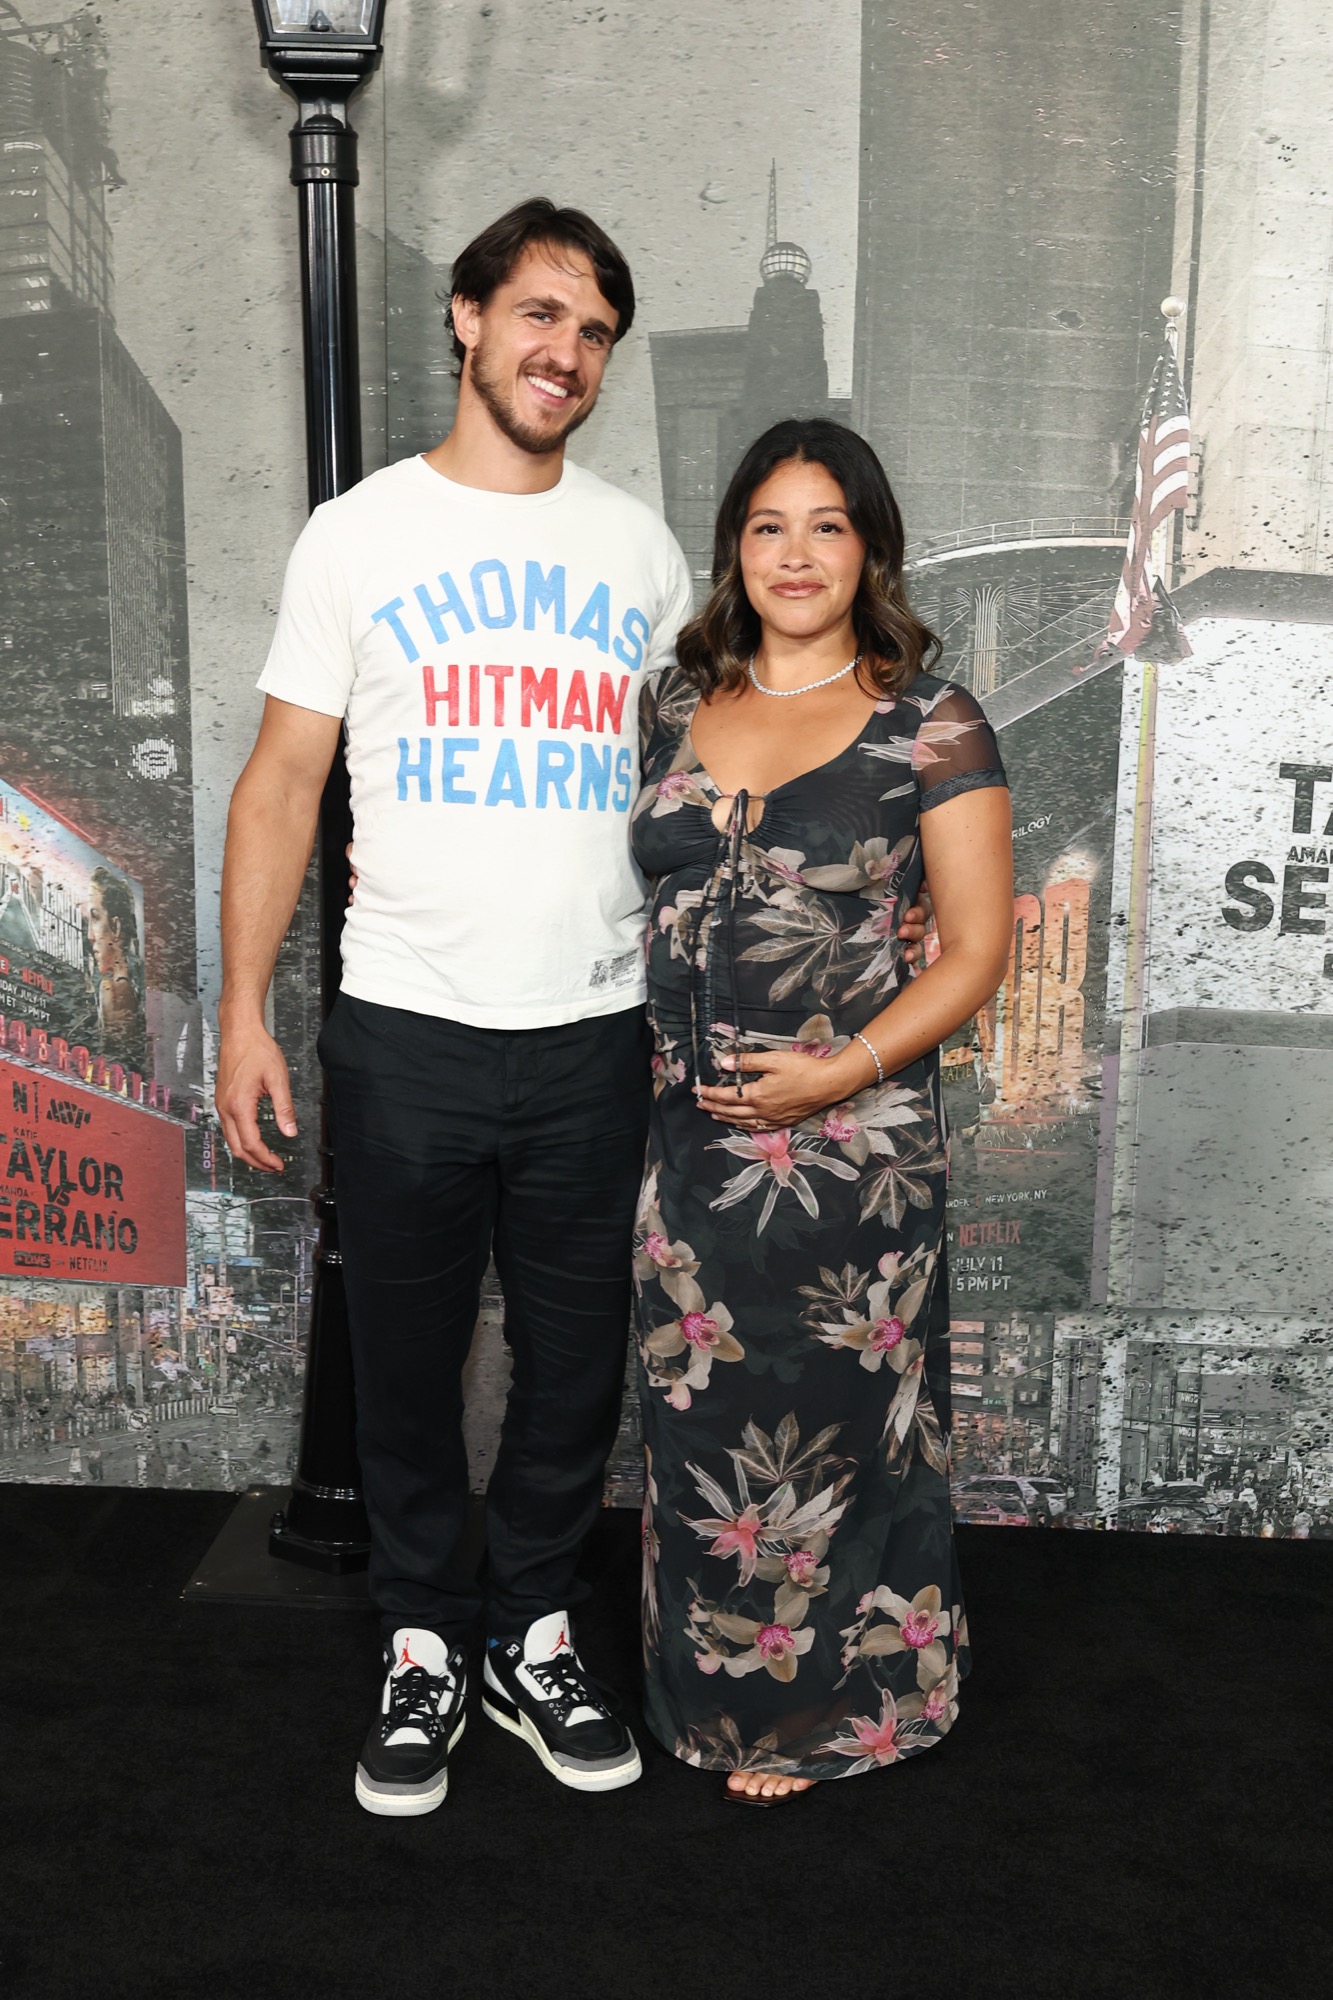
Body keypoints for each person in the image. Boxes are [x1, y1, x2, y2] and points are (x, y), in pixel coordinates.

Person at [214, 197, 696, 1817]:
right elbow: (282, 784)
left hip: (591, 1034)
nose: (567, 353)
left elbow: (692, 786)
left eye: (595, 334)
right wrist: (242, 1012)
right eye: (541, 314)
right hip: (404, 1031)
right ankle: (424, 1638)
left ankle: (531, 1632)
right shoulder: (356, 536)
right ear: (467, 318)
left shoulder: (639, 551)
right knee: (406, 1367)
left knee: (573, 1368)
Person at [632, 418, 1013, 1803]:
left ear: (870, 550)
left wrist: (838, 1071)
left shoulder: (932, 720)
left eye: (827, 526)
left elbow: (976, 950)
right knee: (697, 1421)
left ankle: (834, 1716)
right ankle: (716, 1701)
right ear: (735, 548)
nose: (795, 556)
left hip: (855, 1158)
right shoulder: (671, 708)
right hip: (687, 1147)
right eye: (768, 527)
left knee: (849, 1427)